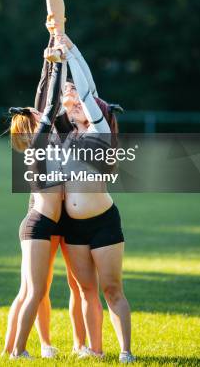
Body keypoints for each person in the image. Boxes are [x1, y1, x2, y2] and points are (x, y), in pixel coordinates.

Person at [6, 39, 102, 359]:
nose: (40, 108)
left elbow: (47, 91)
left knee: (73, 286)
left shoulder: (65, 123)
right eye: (36, 112)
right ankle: (38, 345)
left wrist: (52, 53)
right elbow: (44, 99)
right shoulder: (42, 135)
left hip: (69, 218)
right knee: (37, 290)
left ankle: (77, 344)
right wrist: (55, 61)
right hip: (43, 218)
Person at [54, 35, 136, 364]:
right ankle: (96, 350)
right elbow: (56, 97)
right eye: (70, 103)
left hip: (103, 224)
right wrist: (56, 56)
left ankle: (126, 352)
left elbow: (85, 87)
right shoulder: (66, 132)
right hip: (73, 228)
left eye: (80, 104)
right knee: (86, 291)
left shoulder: (98, 131)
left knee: (112, 290)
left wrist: (70, 47)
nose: (74, 103)